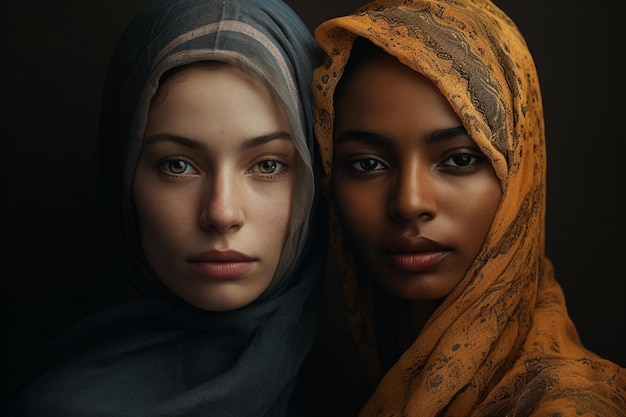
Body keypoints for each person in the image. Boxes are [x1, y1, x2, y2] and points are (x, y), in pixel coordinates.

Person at [301, 0, 626, 415]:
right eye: (367, 164)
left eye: (459, 159)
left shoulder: (565, 406)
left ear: (522, 173)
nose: (410, 203)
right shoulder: (375, 391)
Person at [6, 0, 326, 416]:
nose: (222, 212)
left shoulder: (363, 383)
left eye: (267, 165)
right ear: (121, 176)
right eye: (178, 166)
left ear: (316, 171)